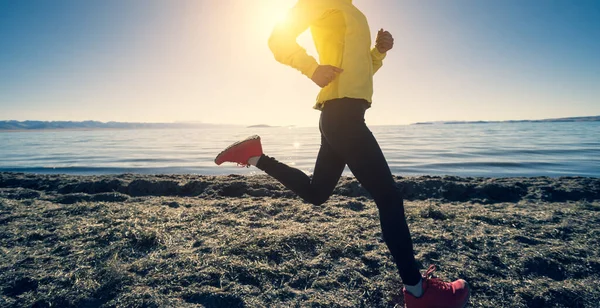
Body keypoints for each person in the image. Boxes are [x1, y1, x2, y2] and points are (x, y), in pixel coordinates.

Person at [215, 1, 470, 307]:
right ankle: (418, 293)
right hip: (342, 115)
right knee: (389, 197)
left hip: (343, 115)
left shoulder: (354, 13)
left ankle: (255, 156)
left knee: (317, 192)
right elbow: (278, 40)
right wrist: (311, 68)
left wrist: (378, 53)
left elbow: (362, 69)